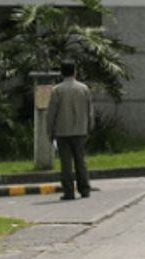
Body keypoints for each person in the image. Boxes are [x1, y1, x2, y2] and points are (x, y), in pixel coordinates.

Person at [46, 60, 94, 201]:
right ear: (75, 71)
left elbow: (51, 114)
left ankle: (69, 192)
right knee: (81, 161)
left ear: (61, 73)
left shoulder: (57, 90)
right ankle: (84, 189)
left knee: (66, 163)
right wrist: (89, 127)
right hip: (80, 130)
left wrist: (49, 131)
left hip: (62, 131)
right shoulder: (84, 88)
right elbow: (89, 110)